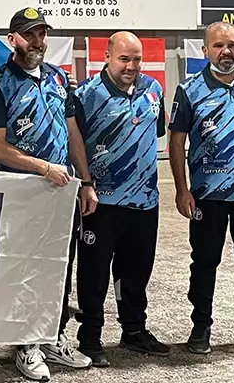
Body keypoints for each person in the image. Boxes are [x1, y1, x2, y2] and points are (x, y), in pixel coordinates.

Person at [0, 7, 94, 382]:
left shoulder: (58, 77)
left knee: (60, 268)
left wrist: (86, 182)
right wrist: (43, 167)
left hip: (62, 192)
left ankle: (51, 336)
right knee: (25, 270)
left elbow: (72, 132)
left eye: (43, 34)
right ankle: (25, 344)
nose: (38, 42)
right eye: (30, 35)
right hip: (23, 191)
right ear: (13, 38)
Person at [72, 32, 170, 367]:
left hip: (145, 201)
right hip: (102, 201)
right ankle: (90, 337)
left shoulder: (154, 90)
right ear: (107, 57)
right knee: (94, 273)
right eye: (124, 59)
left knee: (137, 270)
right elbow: (74, 143)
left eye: (137, 59)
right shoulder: (85, 95)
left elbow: (155, 133)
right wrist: (85, 183)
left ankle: (134, 330)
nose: (131, 66)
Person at [169, 21, 234, 354]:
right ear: (205, 50)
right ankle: (201, 327)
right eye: (218, 46)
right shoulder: (189, 90)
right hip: (207, 195)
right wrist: (181, 189)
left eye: (232, 45)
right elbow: (176, 143)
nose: (226, 51)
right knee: (204, 263)